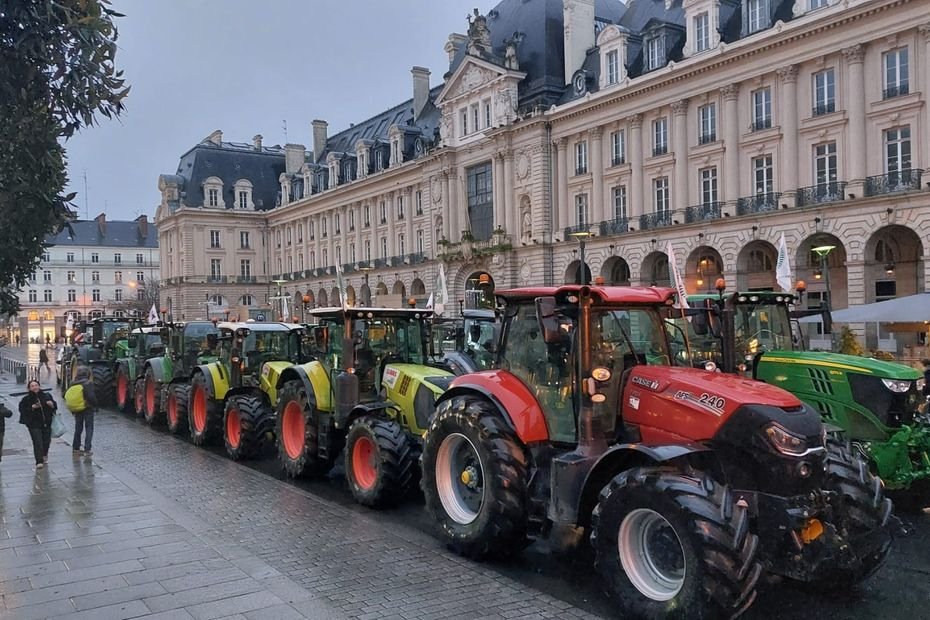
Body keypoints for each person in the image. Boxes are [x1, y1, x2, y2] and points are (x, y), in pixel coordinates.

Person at [18, 380, 56, 468]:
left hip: (46, 423)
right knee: (37, 441)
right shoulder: (26, 399)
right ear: (29, 388)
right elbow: (22, 410)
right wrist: (32, 407)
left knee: (46, 441)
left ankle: (44, 454)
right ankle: (39, 461)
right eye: (32, 386)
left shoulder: (46, 396)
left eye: (36, 385)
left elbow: (54, 407)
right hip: (33, 424)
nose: (35, 387)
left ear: (39, 386)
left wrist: (52, 405)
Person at [70, 366, 98, 457]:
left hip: (77, 408)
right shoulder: (88, 383)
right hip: (87, 408)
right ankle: (87, 449)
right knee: (89, 428)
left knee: (78, 428)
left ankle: (76, 448)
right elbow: (91, 396)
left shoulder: (73, 383)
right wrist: (95, 405)